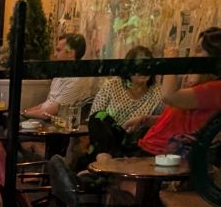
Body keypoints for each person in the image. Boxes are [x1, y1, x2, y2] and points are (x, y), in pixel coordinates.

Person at [134, 28, 221, 156]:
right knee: (101, 121)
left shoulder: (217, 89)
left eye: (198, 51)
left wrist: (171, 60)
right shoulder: (205, 86)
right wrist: (151, 120)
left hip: (160, 155)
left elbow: (168, 96)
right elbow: (185, 120)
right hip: (149, 146)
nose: (194, 56)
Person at [84, 45, 163, 159]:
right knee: (99, 117)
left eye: (147, 66)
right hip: (109, 139)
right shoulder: (112, 86)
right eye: (138, 66)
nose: (143, 71)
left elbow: (164, 122)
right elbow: (94, 119)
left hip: (134, 143)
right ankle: (105, 163)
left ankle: (103, 169)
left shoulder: (158, 92)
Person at [23, 33, 96, 120]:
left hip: (56, 124)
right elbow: (46, 104)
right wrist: (24, 112)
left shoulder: (76, 80)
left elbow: (48, 113)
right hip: (44, 118)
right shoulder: (60, 73)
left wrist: (24, 114)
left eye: (58, 50)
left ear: (70, 53)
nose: (55, 54)